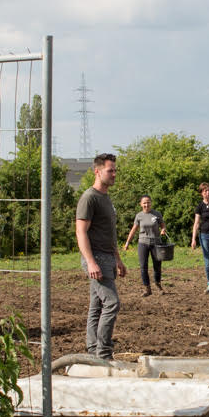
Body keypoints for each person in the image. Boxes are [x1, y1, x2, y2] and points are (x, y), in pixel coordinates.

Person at [75, 153, 124, 360]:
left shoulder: (105, 198)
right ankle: (103, 353)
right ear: (97, 171)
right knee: (112, 303)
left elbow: (108, 232)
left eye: (114, 170)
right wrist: (91, 261)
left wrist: (118, 259)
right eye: (110, 170)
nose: (114, 174)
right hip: (95, 258)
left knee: (97, 306)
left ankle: (93, 350)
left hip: (107, 257)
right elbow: (81, 232)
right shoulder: (89, 198)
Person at [123, 194, 168, 295]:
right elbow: (134, 229)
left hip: (156, 243)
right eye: (144, 203)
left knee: (157, 266)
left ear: (151, 203)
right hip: (143, 243)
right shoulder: (139, 216)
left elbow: (163, 225)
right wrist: (127, 242)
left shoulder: (157, 214)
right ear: (141, 204)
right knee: (143, 266)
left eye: (148, 202)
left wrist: (163, 230)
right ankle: (147, 288)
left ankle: (158, 284)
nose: (146, 204)